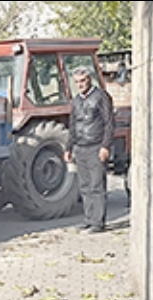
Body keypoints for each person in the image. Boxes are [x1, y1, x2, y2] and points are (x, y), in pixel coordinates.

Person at [63, 66, 115, 233]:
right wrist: (68, 148)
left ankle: (98, 223)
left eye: (83, 80)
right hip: (80, 147)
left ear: (90, 79)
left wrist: (105, 146)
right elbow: (73, 125)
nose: (80, 84)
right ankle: (89, 219)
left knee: (96, 185)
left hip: (96, 146)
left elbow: (109, 123)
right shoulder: (76, 100)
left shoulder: (101, 97)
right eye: (77, 82)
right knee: (84, 186)